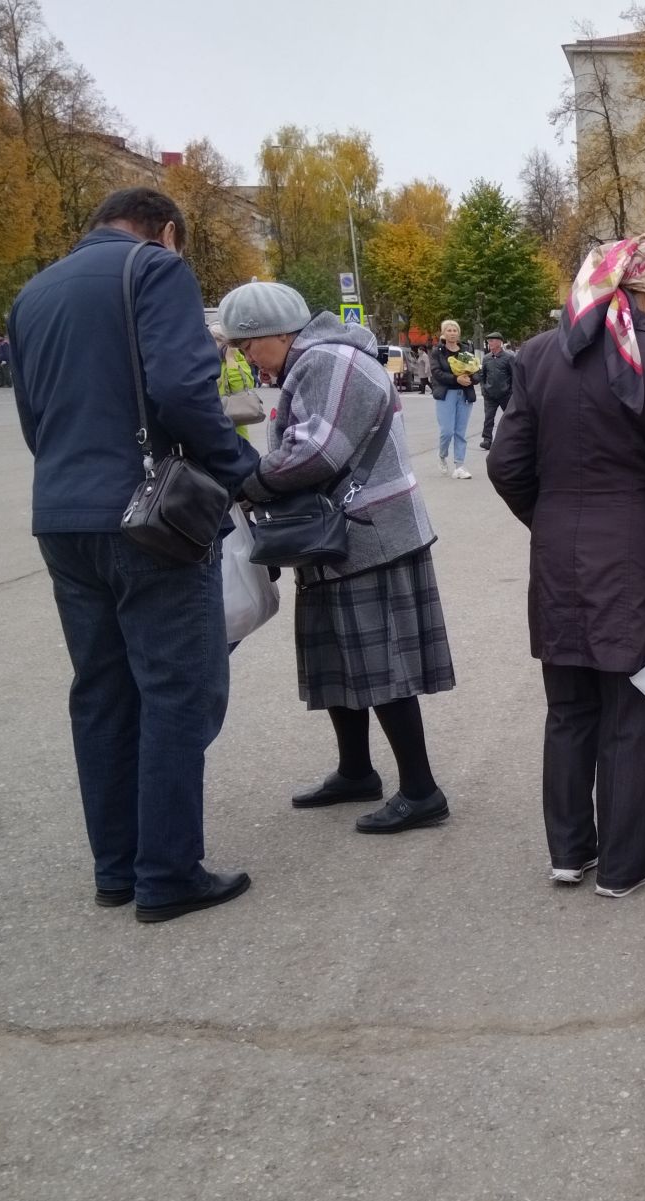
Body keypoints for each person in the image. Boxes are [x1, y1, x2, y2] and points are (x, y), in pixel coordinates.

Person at [9, 186, 260, 922]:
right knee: (179, 689)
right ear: (168, 231)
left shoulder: (32, 293)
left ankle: (116, 867)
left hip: (61, 515)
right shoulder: (154, 269)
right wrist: (237, 471)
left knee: (102, 691)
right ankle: (169, 873)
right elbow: (185, 390)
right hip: (149, 519)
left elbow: (34, 413)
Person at [488, 233, 645, 896]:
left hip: (559, 552)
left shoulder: (538, 354)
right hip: (634, 559)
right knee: (627, 713)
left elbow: (506, 464)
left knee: (568, 709)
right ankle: (623, 863)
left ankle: (569, 852)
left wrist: (552, 516)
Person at [218, 280, 457, 833]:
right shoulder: (318, 358)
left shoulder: (327, 361)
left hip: (368, 532)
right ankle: (356, 772)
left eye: (248, 345)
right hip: (347, 530)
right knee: (339, 654)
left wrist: (248, 481)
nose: (248, 359)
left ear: (275, 332)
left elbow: (318, 451)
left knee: (381, 662)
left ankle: (421, 790)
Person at [429, 319, 477, 478]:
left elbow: (476, 371)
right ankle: (442, 456)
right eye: (448, 330)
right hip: (446, 394)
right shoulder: (438, 351)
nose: (452, 333)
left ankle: (459, 466)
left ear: (459, 333)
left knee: (460, 432)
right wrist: (455, 379)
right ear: (443, 333)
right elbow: (436, 373)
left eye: (455, 330)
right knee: (447, 431)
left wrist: (471, 379)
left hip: (464, 394)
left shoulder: (465, 350)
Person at [211, 325, 258, 442]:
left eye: (217, 341)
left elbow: (241, 389)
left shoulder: (239, 362)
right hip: (212, 428)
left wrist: (230, 359)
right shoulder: (209, 364)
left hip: (235, 433)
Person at [478, 331, 515, 450]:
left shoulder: (509, 358)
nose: (490, 343)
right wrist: (484, 389)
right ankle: (487, 440)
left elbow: (515, 376)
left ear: (499, 342)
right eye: (489, 341)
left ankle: (513, 439)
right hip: (490, 395)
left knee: (510, 417)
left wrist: (513, 392)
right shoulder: (486, 358)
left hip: (506, 395)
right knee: (488, 418)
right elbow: (482, 375)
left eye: (492, 340)